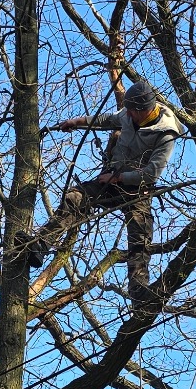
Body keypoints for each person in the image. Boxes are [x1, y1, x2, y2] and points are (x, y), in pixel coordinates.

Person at [23, 78, 181, 304]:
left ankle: (139, 293)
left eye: (131, 110)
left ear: (143, 110)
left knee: (140, 237)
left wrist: (119, 177)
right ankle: (40, 245)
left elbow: (152, 173)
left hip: (138, 191)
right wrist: (77, 122)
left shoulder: (165, 133)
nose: (127, 113)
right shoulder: (129, 114)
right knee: (75, 198)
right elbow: (108, 119)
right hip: (109, 182)